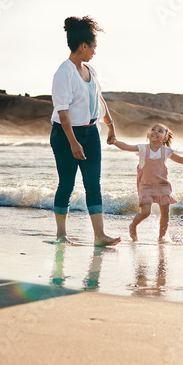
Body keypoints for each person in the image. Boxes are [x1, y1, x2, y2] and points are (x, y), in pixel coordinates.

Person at [49, 16, 121, 247]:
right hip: (65, 135)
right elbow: (62, 112)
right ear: (83, 46)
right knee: (67, 184)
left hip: (91, 134)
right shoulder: (64, 73)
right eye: (93, 47)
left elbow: (99, 99)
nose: (94, 52)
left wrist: (110, 126)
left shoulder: (90, 69)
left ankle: (100, 236)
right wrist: (73, 142)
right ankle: (61, 235)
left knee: (93, 184)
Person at [110, 123, 183, 242]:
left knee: (165, 211)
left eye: (160, 131)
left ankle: (162, 237)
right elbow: (126, 146)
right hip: (145, 185)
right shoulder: (142, 148)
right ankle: (133, 225)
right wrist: (114, 141)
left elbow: (181, 160)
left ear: (165, 138)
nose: (155, 132)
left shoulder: (166, 151)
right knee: (145, 212)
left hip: (162, 185)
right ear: (148, 135)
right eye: (153, 130)